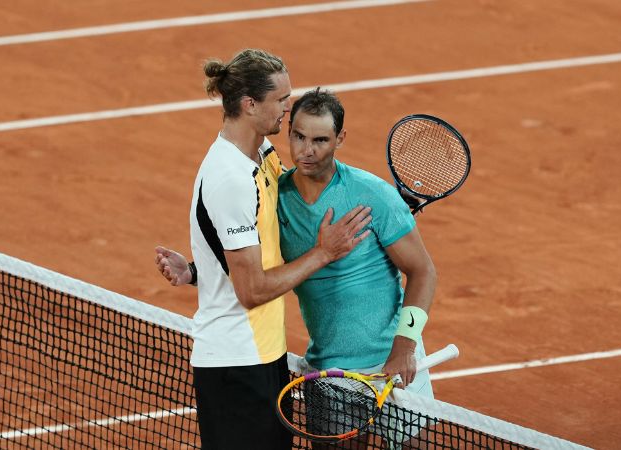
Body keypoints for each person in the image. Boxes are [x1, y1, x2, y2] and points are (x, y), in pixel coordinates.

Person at [157, 88, 436, 447]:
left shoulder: (373, 195)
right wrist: (196, 273)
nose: (307, 150)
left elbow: (424, 271)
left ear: (340, 139)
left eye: (320, 140)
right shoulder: (277, 198)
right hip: (331, 374)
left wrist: (405, 347)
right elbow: (257, 268)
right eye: (299, 136)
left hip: (395, 368)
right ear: (288, 132)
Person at [168, 49, 372, 450]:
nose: (288, 108)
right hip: (236, 364)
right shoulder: (230, 178)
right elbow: (252, 290)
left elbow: (260, 238)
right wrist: (323, 253)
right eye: (281, 99)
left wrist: (198, 269)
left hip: (264, 356)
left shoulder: (260, 153)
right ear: (249, 104)